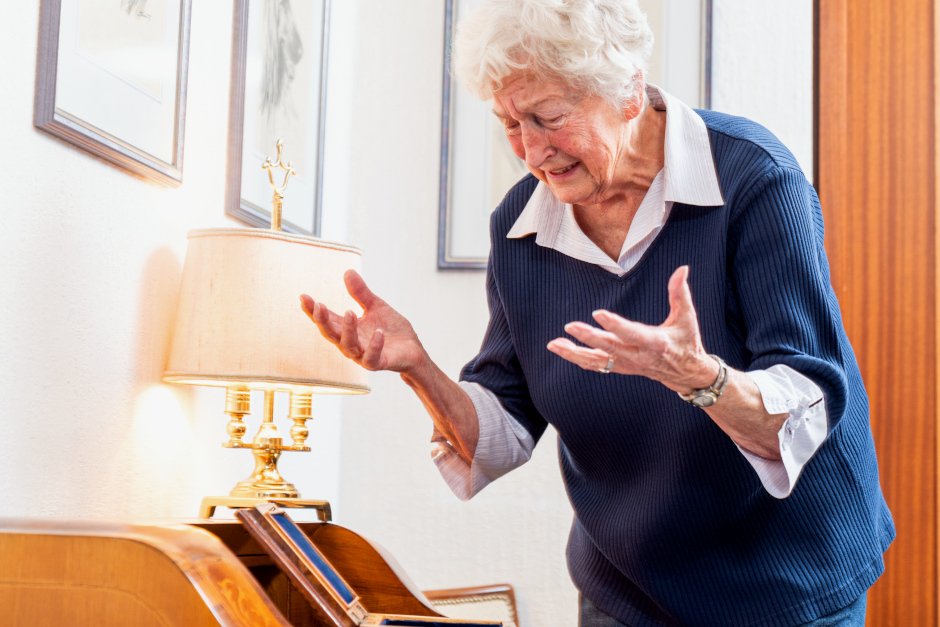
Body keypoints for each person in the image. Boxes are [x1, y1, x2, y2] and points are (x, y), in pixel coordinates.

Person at [300, 1, 894, 624]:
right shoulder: (521, 229)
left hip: (785, 578)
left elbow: (805, 404)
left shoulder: (752, 179)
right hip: (629, 587)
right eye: (508, 124)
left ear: (630, 93)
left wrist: (700, 378)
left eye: (549, 118)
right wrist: (417, 365)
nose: (530, 151)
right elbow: (504, 430)